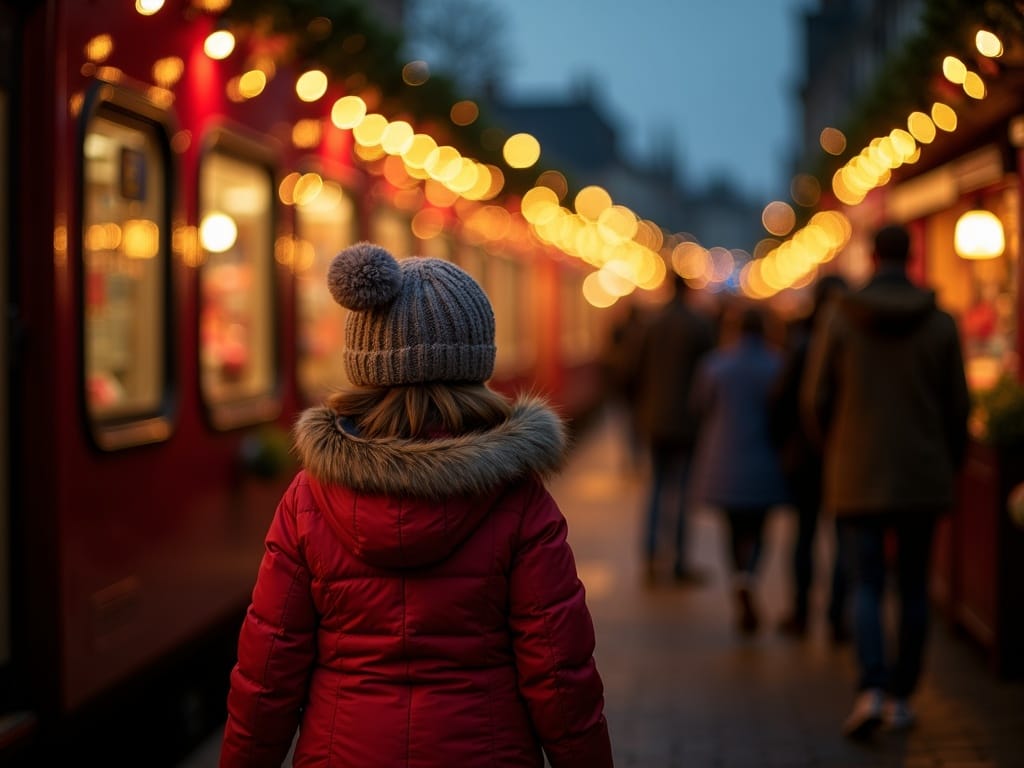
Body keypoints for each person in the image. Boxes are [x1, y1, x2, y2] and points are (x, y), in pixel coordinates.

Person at [219, 243, 614, 768]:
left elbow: (268, 674)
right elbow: (559, 675)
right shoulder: (517, 497)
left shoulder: (309, 498)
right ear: (476, 363)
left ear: (365, 364)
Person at [801, 223, 969, 739]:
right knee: (914, 586)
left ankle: (871, 686)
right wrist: (946, 461)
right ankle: (902, 695)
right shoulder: (940, 323)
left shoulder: (840, 319)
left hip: (858, 473)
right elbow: (957, 406)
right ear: (913, 255)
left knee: (867, 584)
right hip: (921, 474)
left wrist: (838, 451)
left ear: (871, 258)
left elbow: (815, 400)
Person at [688, 302, 789, 633]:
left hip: (724, 459)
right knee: (760, 527)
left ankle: (738, 578)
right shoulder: (777, 364)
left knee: (731, 527)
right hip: (765, 458)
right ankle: (751, 575)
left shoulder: (716, 364)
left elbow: (698, 405)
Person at [769, 274, 851, 641]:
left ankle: (802, 613)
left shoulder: (801, 342)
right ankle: (837, 616)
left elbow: (783, 399)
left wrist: (787, 442)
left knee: (804, 535)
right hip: (843, 454)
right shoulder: (853, 342)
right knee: (842, 538)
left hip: (805, 455)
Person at [627, 271, 715, 584]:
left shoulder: (652, 325)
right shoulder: (700, 325)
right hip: (688, 421)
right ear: (688, 290)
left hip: (655, 419)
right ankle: (678, 561)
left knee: (657, 487)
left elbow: (634, 370)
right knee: (683, 491)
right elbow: (709, 374)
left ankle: (651, 557)